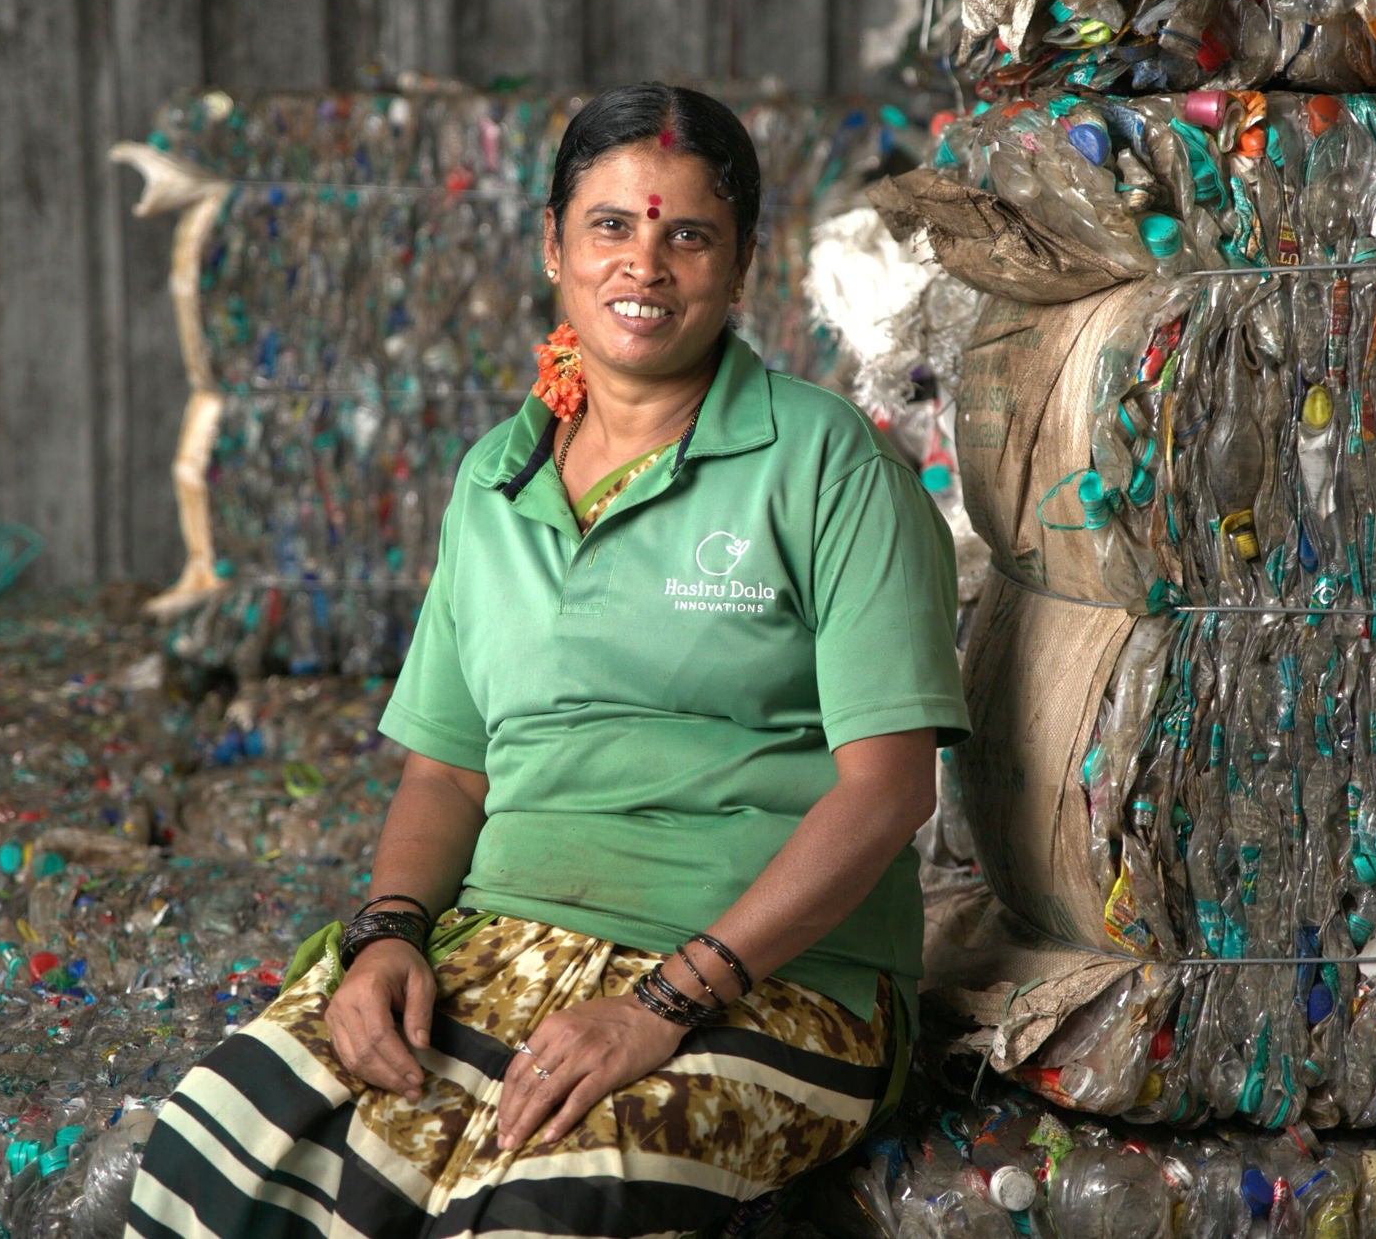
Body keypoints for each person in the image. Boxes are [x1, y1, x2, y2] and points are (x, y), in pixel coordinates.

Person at [126, 83, 969, 1239]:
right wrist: (386, 937)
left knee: (524, 1209)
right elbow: (449, 774)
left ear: (740, 267)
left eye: (687, 235)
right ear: (553, 247)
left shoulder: (822, 461)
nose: (645, 265)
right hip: (506, 938)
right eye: (610, 227)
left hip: (777, 980)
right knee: (222, 1155)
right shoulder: (495, 479)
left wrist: (663, 1003)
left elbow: (887, 787)